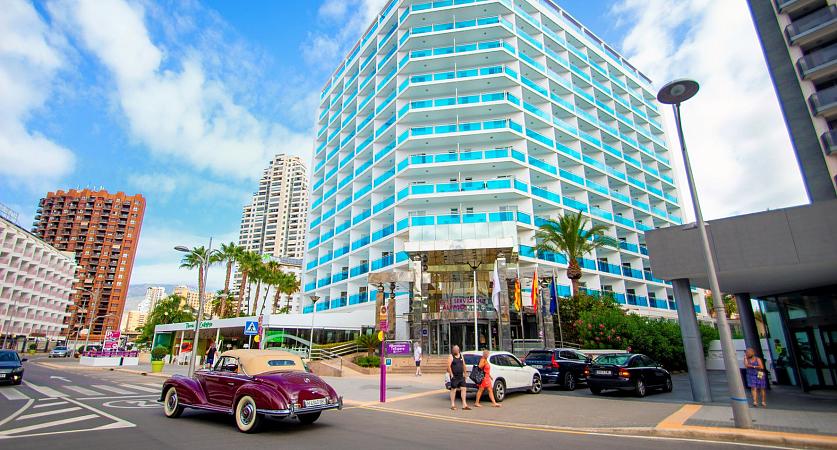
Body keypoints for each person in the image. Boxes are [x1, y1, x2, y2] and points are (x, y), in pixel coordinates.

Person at [447, 345, 470, 410]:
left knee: (463, 389)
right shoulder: (451, 356)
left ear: (458, 350)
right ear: (453, 350)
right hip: (454, 376)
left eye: (457, 350)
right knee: (453, 389)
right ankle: (452, 404)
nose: (456, 351)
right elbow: (448, 366)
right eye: (454, 350)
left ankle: (464, 405)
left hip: (461, 376)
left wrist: (465, 374)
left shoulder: (461, 355)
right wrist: (451, 374)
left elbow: (464, 365)